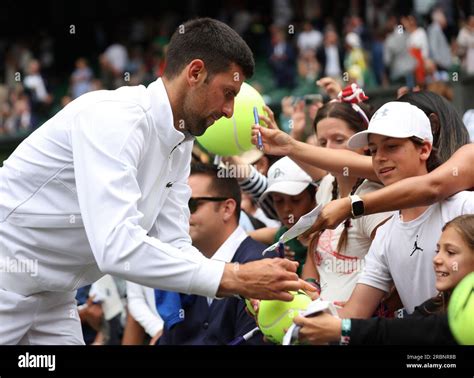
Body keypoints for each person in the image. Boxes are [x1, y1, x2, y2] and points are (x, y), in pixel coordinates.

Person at [0, 18, 313, 345]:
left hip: (55, 299)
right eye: (228, 93)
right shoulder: (115, 118)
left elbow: (175, 243)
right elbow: (116, 247)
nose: (230, 110)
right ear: (195, 73)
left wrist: (242, 286)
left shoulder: (181, 139)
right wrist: (234, 276)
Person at [325, 101, 474, 317]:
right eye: (373, 150)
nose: (379, 157)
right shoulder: (385, 236)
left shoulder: (465, 206)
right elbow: (354, 315)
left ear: (424, 149)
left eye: (391, 146)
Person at [294, 214, 474, 345]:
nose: (437, 259)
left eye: (450, 252)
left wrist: (343, 329)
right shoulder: (432, 307)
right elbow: (401, 330)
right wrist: (321, 317)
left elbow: (420, 331)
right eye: (437, 250)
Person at [158, 164, 271, 345]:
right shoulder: (184, 262)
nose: (181, 215)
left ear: (227, 208)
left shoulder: (261, 265)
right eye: (177, 206)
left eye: (191, 204)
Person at [301, 98, 393, 304]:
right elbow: (312, 259)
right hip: (323, 323)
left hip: (359, 328)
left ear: (364, 145)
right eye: (322, 143)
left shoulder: (372, 197)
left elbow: (395, 270)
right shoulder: (326, 186)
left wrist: (358, 312)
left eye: (339, 140)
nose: (329, 150)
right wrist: (310, 288)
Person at [259, 157, 317, 276]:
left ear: (314, 197)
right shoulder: (281, 238)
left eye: (296, 200)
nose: (286, 209)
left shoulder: (330, 234)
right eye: (278, 200)